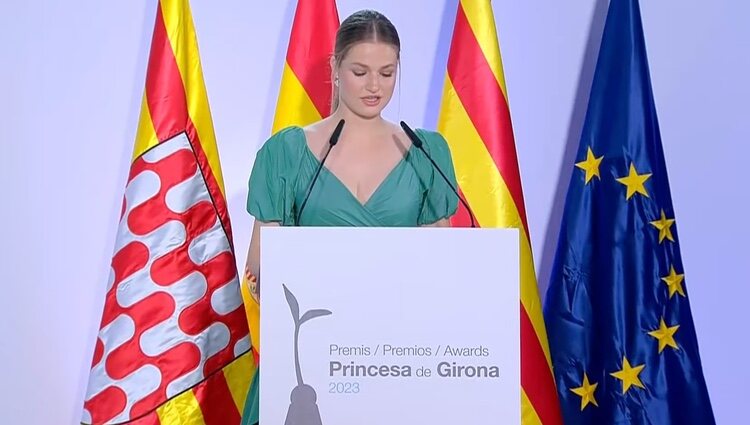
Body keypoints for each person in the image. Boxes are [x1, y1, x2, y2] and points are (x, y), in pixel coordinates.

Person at [240, 9, 459, 424]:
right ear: (335, 67)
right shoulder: (285, 153)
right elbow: (258, 270)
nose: (375, 86)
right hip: (305, 369)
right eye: (360, 71)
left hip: (395, 365)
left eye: (387, 72)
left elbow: (439, 270)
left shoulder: (428, 152)